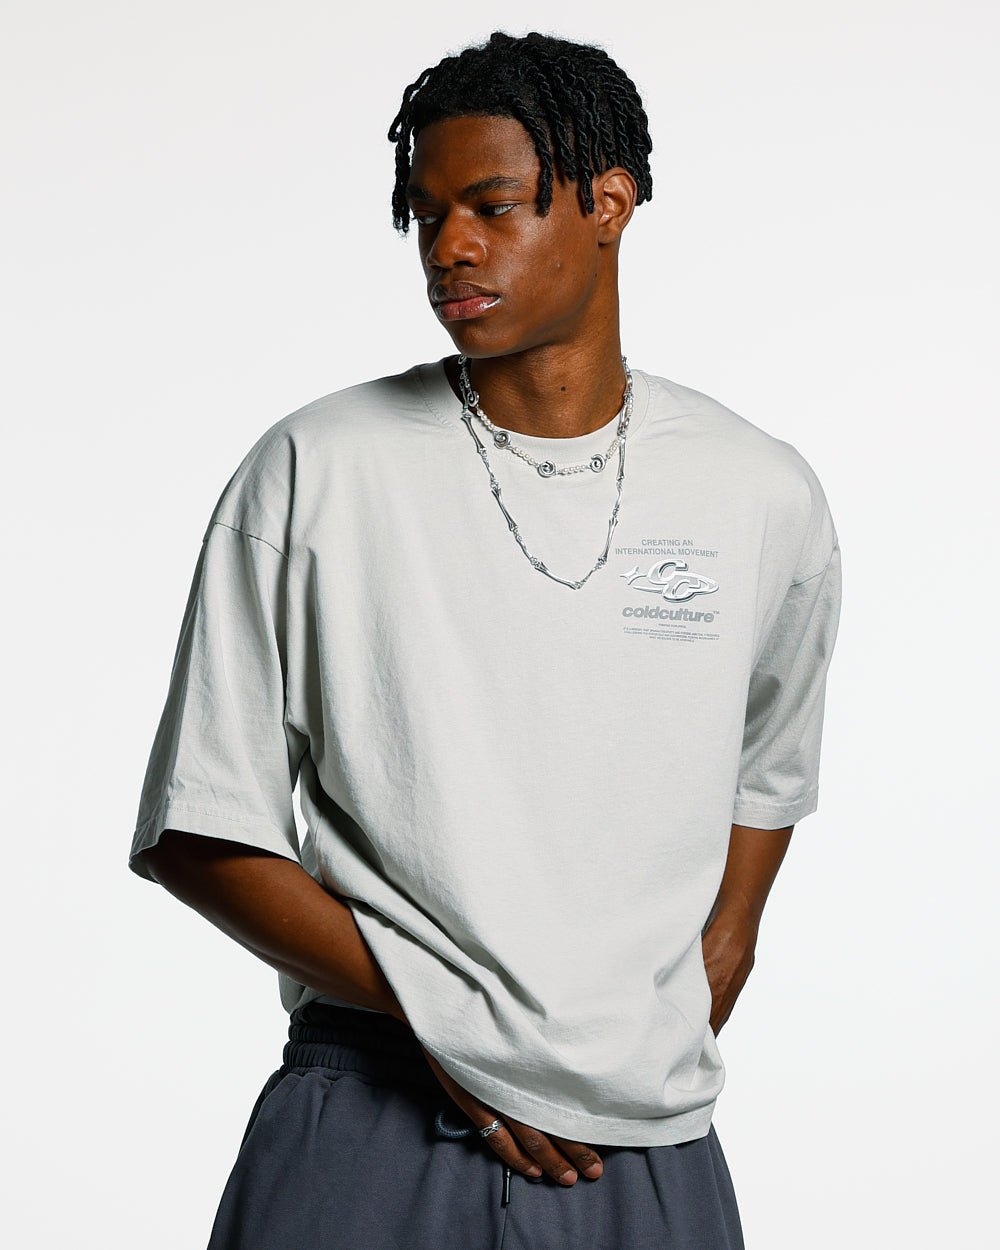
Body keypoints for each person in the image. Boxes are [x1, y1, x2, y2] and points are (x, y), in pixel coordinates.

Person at [128, 29, 842, 1250]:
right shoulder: (318, 468)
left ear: (607, 203)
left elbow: (768, 770)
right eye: (425, 213)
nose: (447, 246)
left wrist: (710, 964)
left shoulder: (757, 490)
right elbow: (201, 826)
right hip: (371, 1110)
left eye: (492, 206)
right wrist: (447, 1029)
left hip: (632, 1131)